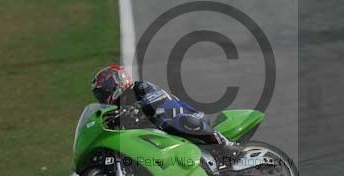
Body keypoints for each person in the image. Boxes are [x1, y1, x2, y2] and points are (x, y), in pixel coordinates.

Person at [91, 65, 237, 163]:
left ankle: (225, 144)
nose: (104, 96)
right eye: (100, 94)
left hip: (181, 117)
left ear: (117, 81)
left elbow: (157, 97)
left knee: (179, 122)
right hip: (160, 138)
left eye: (104, 90)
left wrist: (137, 106)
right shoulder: (116, 111)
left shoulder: (139, 87)